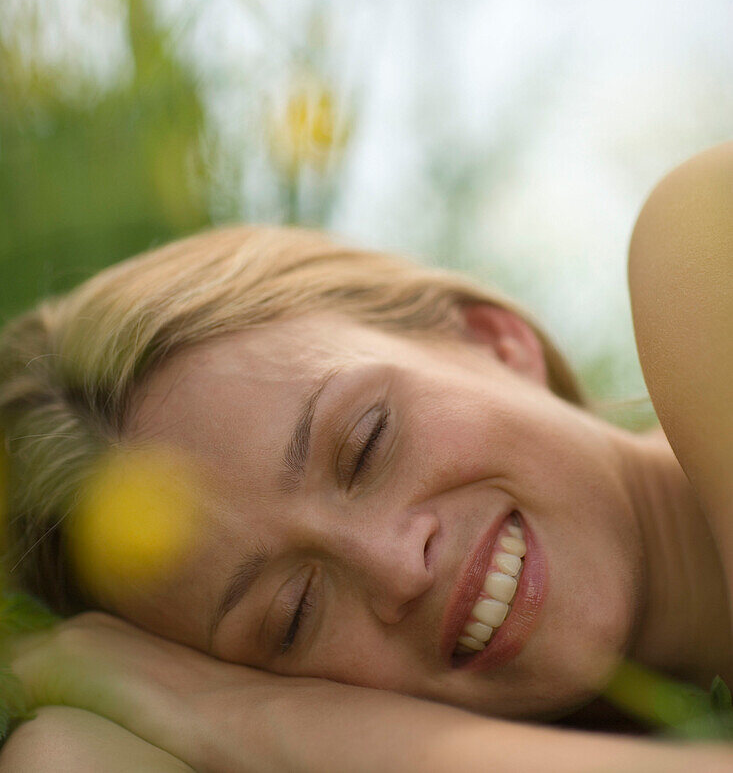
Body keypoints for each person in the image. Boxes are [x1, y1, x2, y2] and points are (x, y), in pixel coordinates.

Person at [0, 142, 731, 772]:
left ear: (491, 341)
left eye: (365, 445)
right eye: (293, 616)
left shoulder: (700, 236)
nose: (393, 566)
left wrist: (238, 714)